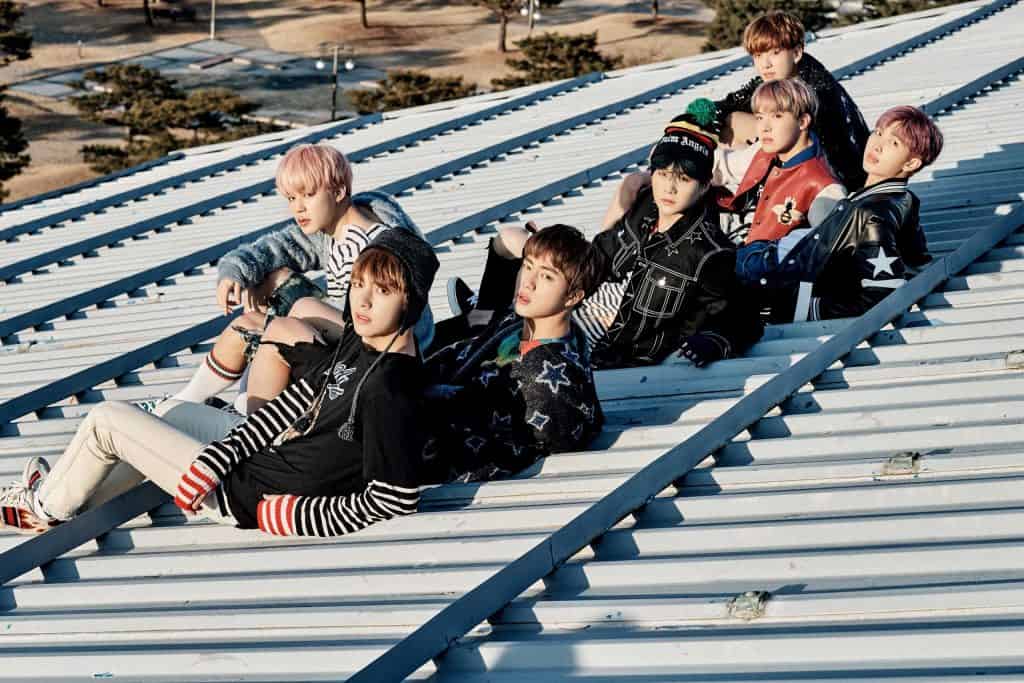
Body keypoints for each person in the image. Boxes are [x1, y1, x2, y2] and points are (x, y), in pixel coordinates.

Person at [0, 230, 440, 538]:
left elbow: (393, 499)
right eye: (358, 284)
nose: (362, 300)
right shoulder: (362, 340)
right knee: (168, 414)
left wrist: (298, 516)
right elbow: (297, 401)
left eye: (382, 291)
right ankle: (68, 498)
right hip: (252, 460)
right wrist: (218, 457)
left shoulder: (391, 390)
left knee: (106, 420)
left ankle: (42, 506)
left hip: (246, 494)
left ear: (412, 303)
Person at [450, 106, 763, 370]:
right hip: (570, 313)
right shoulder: (646, 207)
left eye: (683, 179)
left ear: (705, 185)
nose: (669, 188)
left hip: (606, 355)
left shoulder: (709, 252)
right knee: (470, 348)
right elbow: (601, 254)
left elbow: (745, 318)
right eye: (663, 174)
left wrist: (712, 342)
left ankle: (482, 320)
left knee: (484, 363)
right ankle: (483, 317)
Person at [169, 143, 434, 414]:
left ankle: (242, 405)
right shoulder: (335, 230)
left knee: (287, 312)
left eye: (308, 195)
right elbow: (276, 248)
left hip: (378, 350)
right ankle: (187, 402)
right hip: (349, 334)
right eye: (291, 198)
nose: (298, 208)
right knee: (268, 285)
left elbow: (405, 322)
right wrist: (236, 272)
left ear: (338, 192)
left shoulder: (373, 247)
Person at [425, 224, 604, 483]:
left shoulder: (550, 378)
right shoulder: (517, 319)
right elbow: (507, 238)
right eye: (527, 266)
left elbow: (526, 451)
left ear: (572, 297)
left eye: (547, 277)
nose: (528, 283)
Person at [751, 106, 943, 323]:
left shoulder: (871, 213)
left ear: (911, 163)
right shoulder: (902, 198)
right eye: (878, 132)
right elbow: (918, 261)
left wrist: (805, 308)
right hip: (779, 265)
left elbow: (882, 294)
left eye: (894, 143)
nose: (877, 145)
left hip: (775, 280)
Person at [715, 10, 870, 189]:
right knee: (731, 120)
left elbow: (820, 151)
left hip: (834, 179)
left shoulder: (814, 92)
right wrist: (702, 113)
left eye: (775, 53)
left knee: (767, 128)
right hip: (807, 164)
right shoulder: (784, 77)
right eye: (758, 56)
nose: (765, 64)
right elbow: (736, 101)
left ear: (796, 53)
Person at [721, 79, 845, 271]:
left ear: (802, 122)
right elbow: (723, 166)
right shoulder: (765, 151)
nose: (764, 127)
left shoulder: (824, 187)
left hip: (767, 274)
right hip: (738, 248)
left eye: (777, 116)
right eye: (759, 117)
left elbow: (828, 252)